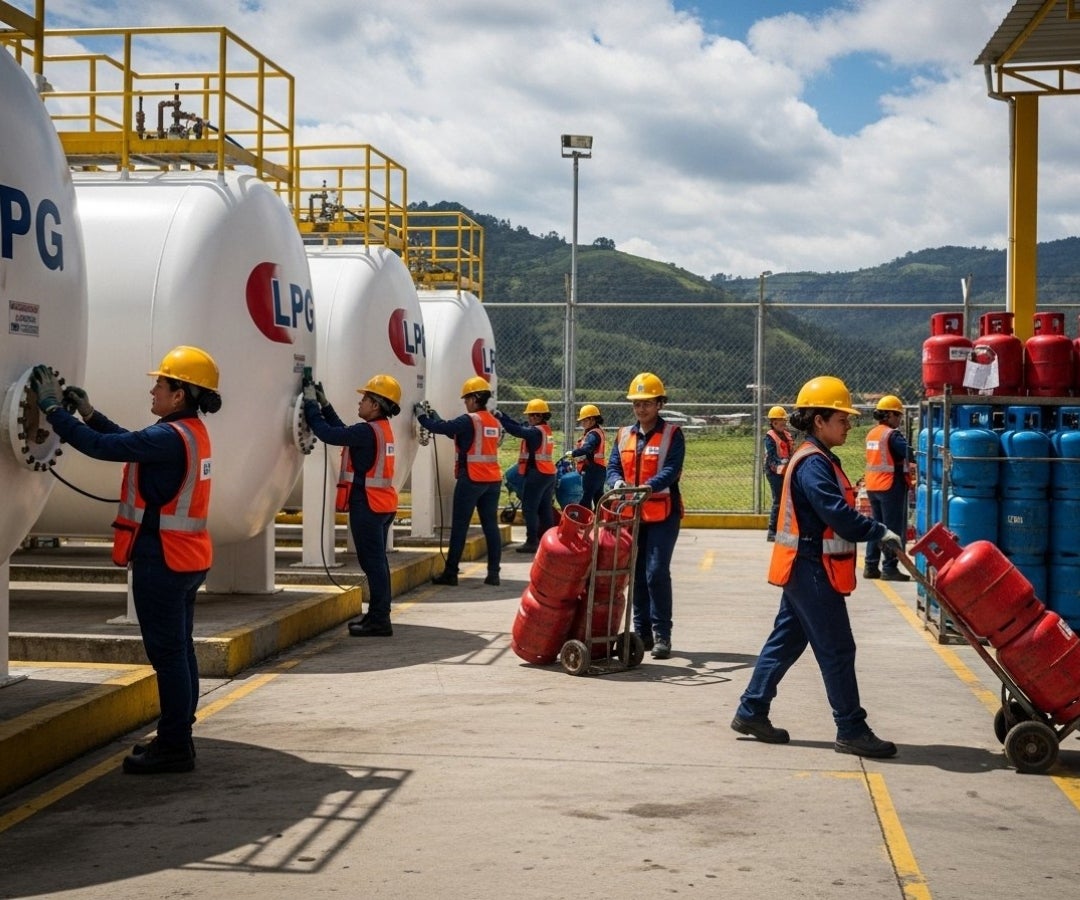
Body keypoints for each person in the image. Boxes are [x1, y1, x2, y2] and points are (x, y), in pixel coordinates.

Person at [30, 346, 222, 775]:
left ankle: (175, 746)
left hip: (163, 560)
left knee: (169, 656)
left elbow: (104, 448)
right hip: (188, 559)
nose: (153, 388)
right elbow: (126, 443)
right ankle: (179, 735)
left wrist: (51, 409)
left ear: (180, 394)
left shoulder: (168, 437)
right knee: (180, 652)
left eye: (161, 383)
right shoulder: (188, 432)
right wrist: (90, 413)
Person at [731, 375, 903, 759]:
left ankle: (751, 710)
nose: (848, 425)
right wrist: (878, 530)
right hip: (810, 567)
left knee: (786, 640)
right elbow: (837, 515)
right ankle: (851, 728)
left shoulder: (821, 458)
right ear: (819, 421)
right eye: (841, 419)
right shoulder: (813, 463)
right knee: (838, 648)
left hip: (804, 565)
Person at [304, 373, 401, 637]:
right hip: (383, 505)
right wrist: (325, 405)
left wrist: (311, 405)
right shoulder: (379, 430)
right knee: (377, 563)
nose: (360, 403)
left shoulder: (367, 432)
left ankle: (380, 620)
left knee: (373, 564)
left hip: (368, 505)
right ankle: (377, 616)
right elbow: (343, 432)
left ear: (376, 405)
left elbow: (328, 434)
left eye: (365, 399)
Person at [606, 372, 684, 660]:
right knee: (636, 574)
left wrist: (647, 487)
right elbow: (613, 465)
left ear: (659, 404)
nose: (641, 409)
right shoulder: (624, 434)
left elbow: (672, 469)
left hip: (663, 514)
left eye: (647, 403)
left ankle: (663, 633)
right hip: (632, 515)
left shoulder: (673, 434)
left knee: (656, 572)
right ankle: (642, 633)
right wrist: (616, 482)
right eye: (637, 404)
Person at [415, 376, 502, 586]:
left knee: (460, 526)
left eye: (466, 399)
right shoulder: (493, 422)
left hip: (471, 479)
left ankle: (451, 573)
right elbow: (462, 436)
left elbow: (444, 429)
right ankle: (493, 574)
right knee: (491, 526)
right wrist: (436, 418)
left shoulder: (469, 420)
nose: (465, 403)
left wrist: (422, 418)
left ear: (474, 399)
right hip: (492, 480)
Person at [493, 399, 556, 554]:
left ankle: (531, 541)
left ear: (542, 416)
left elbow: (518, 431)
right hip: (548, 474)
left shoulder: (535, 432)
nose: (531, 418)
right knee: (545, 508)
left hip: (537, 474)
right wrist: (502, 415)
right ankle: (548, 541)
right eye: (530, 415)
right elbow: (520, 426)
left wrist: (500, 418)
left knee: (530, 508)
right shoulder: (544, 430)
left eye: (534, 415)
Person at [863, 395, 912, 582]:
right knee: (892, 528)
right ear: (889, 415)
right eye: (898, 415)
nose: (899, 420)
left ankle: (870, 565)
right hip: (890, 485)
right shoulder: (892, 435)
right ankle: (890, 567)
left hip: (873, 485)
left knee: (876, 526)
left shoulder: (872, 433)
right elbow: (908, 453)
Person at [563, 403, 607, 509]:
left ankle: (585, 524)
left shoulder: (593, 434)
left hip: (592, 471)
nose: (582, 423)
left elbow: (587, 448)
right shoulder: (595, 432)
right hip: (599, 470)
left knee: (585, 499)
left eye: (584, 420)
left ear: (592, 419)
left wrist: (573, 453)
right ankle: (600, 522)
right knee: (598, 498)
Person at [763, 405, 795, 542]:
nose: (783, 424)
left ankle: (784, 529)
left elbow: (792, 452)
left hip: (786, 470)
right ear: (773, 423)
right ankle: (772, 531)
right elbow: (771, 458)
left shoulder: (787, 435)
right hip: (774, 472)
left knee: (788, 501)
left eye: (784, 421)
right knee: (778, 501)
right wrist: (781, 466)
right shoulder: (770, 437)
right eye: (779, 422)